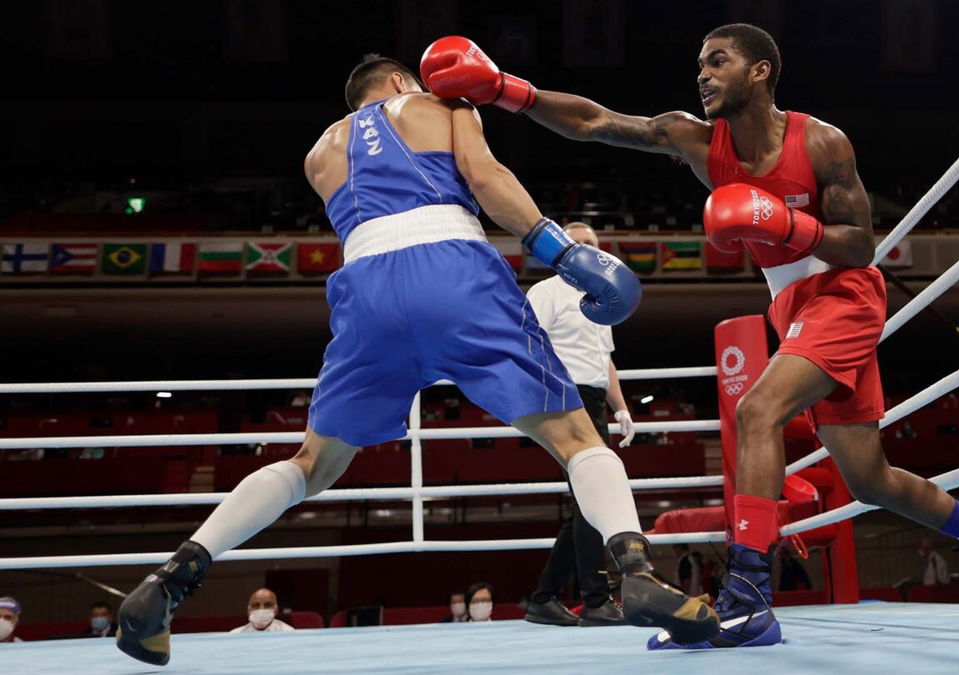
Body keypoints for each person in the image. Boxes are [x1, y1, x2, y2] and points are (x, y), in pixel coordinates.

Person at [421, 24, 959, 650]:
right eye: (700, 63)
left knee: (757, 410)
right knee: (870, 480)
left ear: (759, 72)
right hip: (792, 305)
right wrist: (503, 88)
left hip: (844, 293)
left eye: (718, 60)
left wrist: (782, 221)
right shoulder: (694, 140)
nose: (703, 73)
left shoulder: (822, 143)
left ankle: (749, 600)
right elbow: (595, 122)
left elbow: (862, 242)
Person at [115, 53, 716, 666]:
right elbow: (485, 178)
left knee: (312, 463)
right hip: (450, 267)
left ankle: (166, 583)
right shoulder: (440, 104)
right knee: (577, 439)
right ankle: (636, 572)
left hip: (365, 290)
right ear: (403, 82)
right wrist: (561, 252)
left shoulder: (321, 151)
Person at [524, 222, 632, 628]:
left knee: (589, 503)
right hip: (565, 399)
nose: (584, 249)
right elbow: (529, 345)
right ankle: (595, 600)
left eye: (591, 244)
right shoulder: (547, 291)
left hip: (594, 401)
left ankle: (545, 598)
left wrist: (621, 409)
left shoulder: (605, 297)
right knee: (594, 499)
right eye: (577, 243)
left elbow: (605, 361)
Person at [230, 588, 294, 633]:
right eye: (256, 605)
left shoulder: (289, 633)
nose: (261, 609)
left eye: (267, 605)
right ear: (248, 610)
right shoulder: (235, 635)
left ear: (276, 610)